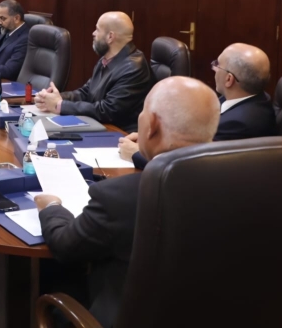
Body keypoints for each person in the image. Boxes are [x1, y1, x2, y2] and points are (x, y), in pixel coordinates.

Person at [35, 76, 221, 328]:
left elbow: (65, 246)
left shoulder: (120, 196)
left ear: (151, 126)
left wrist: (51, 207)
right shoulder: (242, 186)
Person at [121, 42, 277, 169]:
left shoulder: (240, 124)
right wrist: (155, 137)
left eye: (217, 65)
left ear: (229, 79)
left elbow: (190, 165)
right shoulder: (251, 98)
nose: (214, 69)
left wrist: (138, 153)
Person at [33, 11, 153, 132]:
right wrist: (55, 98)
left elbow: (107, 111)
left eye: (97, 30)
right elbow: (86, 92)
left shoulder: (133, 68)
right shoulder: (107, 59)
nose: (93, 33)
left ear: (110, 37)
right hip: (99, 125)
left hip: (119, 133)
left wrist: (60, 105)